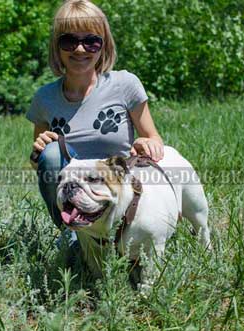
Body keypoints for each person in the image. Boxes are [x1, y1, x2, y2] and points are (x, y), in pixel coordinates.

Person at [27, 0, 164, 233]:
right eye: (69, 41)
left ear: (104, 45)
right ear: (57, 47)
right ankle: (71, 233)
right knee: (50, 154)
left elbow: (155, 140)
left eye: (91, 41)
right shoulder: (44, 98)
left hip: (115, 191)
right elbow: (41, 169)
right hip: (73, 190)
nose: (79, 49)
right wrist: (37, 154)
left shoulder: (125, 84)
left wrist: (147, 142)